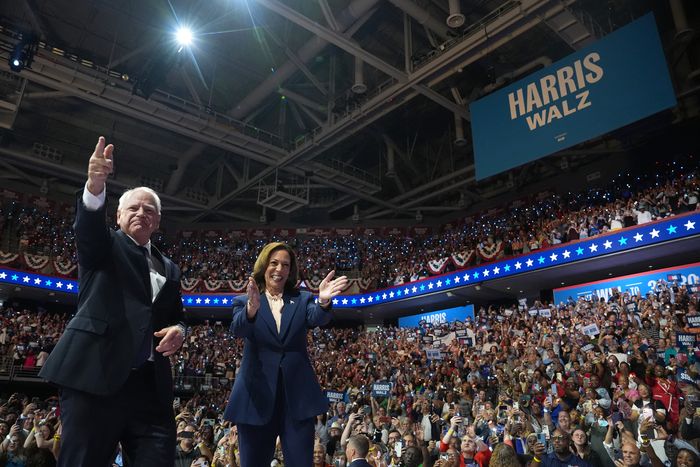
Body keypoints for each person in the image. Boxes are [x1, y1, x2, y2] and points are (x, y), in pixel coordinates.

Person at [39, 136, 186, 466]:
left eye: (150, 210)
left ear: (158, 222)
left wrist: (179, 329)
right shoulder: (104, 247)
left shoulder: (171, 269)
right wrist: (95, 185)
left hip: (150, 389)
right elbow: (88, 228)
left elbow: (177, 315)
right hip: (96, 376)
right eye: (133, 208)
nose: (141, 213)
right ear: (118, 215)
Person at [223, 242, 348, 466]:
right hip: (255, 399)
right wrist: (252, 309)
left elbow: (317, 317)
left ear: (290, 270)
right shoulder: (245, 301)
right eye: (274, 263)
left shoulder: (302, 299)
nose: (279, 269)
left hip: (297, 399)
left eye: (285, 264)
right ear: (264, 266)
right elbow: (238, 329)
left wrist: (323, 300)